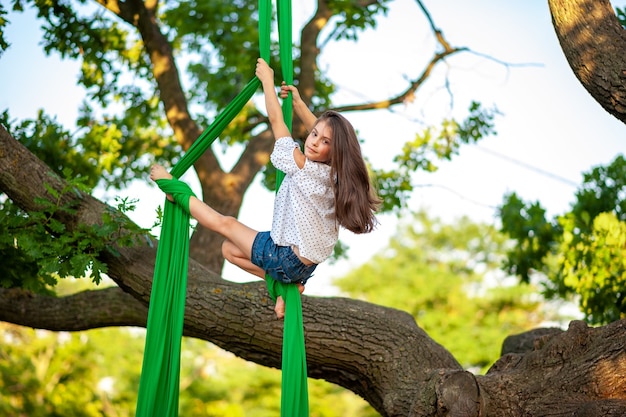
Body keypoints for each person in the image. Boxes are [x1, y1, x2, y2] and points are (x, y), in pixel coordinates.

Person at [150, 58, 380, 319]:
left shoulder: (303, 166)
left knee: (224, 224)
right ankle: (283, 287)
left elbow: (276, 122)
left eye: (324, 141)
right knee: (229, 250)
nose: (314, 143)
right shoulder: (336, 174)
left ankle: (174, 190)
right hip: (305, 266)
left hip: (285, 257)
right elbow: (323, 133)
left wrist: (267, 82)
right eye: (314, 135)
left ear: (334, 149)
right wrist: (299, 104)